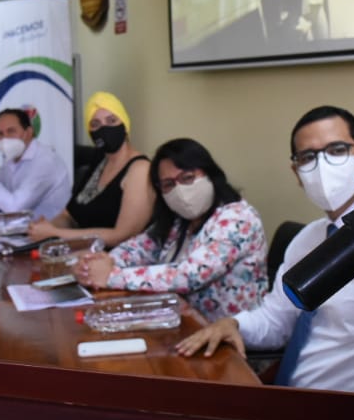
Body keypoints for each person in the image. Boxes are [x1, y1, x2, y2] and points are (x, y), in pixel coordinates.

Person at [175, 105, 354, 392]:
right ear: (297, 172)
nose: (321, 166)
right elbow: (277, 319)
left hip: (352, 407)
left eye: (336, 150)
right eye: (308, 157)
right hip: (287, 396)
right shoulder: (308, 239)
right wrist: (233, 324)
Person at [74, 137, 267, 322]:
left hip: (233, 335)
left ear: (210, 174)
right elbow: (138, 248)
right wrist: (98, 264)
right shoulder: (179, 219)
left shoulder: (238, 218)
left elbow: (190, 275)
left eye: (187, 178)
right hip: (184, 322)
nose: (180, 190)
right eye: (168, 184)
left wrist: (110, 276)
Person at [28, 92, 154, 248]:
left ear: (125, 124)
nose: (104, 128)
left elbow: (122, 236)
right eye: (95, 124)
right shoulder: (100, 161)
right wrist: (46, 228)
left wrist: (56, 233)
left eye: (112, 120)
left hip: (111, 258)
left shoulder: (140, 169)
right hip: (78, 251)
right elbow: (69, 216)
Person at [0, 108, 72, 222]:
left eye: (11, 131)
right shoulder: (11, 159)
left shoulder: (45, 162)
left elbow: (15, 209)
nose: (5, 138)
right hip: (21, 229)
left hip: (50, 231)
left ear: (28, 133)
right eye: (0, 134)